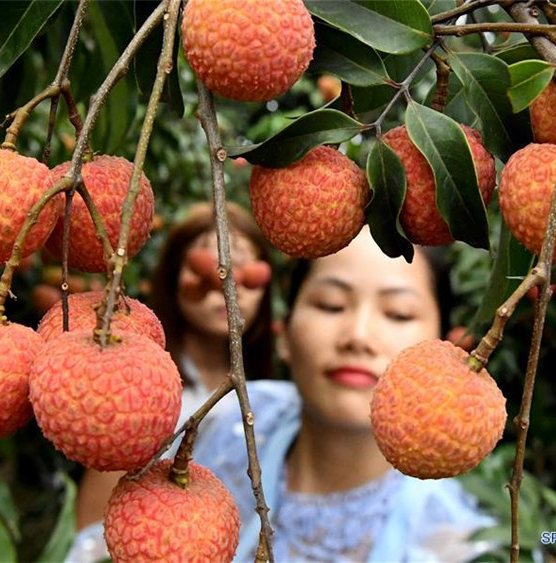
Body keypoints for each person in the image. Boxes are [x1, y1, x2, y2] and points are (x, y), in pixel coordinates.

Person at [192, 226, 496, 561]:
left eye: (398, 313)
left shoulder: (457, 544)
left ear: (444, 347)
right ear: (285, 333)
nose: (358, 335)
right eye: (331, 305)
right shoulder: (226, 425)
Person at [67, 202, 275, 561]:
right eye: (206, 266)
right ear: (172, 278)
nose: (226, 283)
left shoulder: (276, 403)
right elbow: (91, 538)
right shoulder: (137, 392)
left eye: (244, 270)